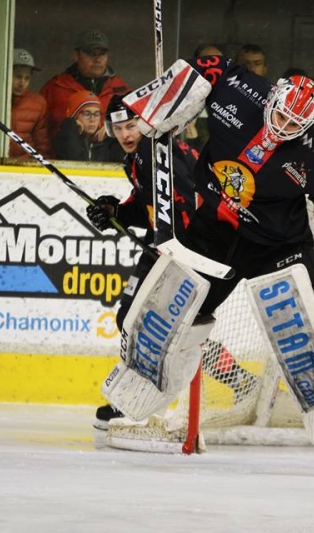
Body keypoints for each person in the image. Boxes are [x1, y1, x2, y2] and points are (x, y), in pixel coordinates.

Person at [105, 54, 314, 448]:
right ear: (273, 98)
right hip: (215, 229)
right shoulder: (241, 91)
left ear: (309, 124)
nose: (282, 127)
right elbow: (212, 65)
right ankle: (152, 392)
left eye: (294, 124)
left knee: (296, 315)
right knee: (170, 314)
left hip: (277, 242)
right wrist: (164, 98)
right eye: (280, 115)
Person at [87, 95, 256, 429]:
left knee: (154, 325)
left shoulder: (162, 156)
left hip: (189, 250)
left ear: (146, 123)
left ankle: (137, 400)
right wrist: (117, 212)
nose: (125, 133)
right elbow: (149, 204)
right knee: (139, 320)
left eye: (131, 124)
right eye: (118, 127)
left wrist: (183, 251)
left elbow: (190, 203)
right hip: (164, 247)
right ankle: (238, 380)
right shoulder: (139, 158)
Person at [39, 28, 129, 142]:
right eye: (91, 54)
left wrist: (112, 128)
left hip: (108, 158)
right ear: (76, 55)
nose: (97, 59)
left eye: (102, 54)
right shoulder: (55, 87)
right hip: (65, 158)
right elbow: (40, 134)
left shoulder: (122, 90)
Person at [0, 48, 51, 158]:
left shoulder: (38, 104)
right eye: (18, 76)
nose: (22, 83)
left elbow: (42, 146)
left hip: (25, 170)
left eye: (27, 78)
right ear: (4, 73)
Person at [53, 90, 122, 162]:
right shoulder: (65, 137)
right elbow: (72, 158)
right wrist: (71, 125)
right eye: (87, 114)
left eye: (96, 114)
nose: (92, 119)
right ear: (75, 117)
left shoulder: (105, 140)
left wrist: (113, 132)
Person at [180, 43, 224, 152]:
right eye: (210, 62)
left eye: (220, 63)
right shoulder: (186, 100)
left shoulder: (230, 99)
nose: (215, 68)